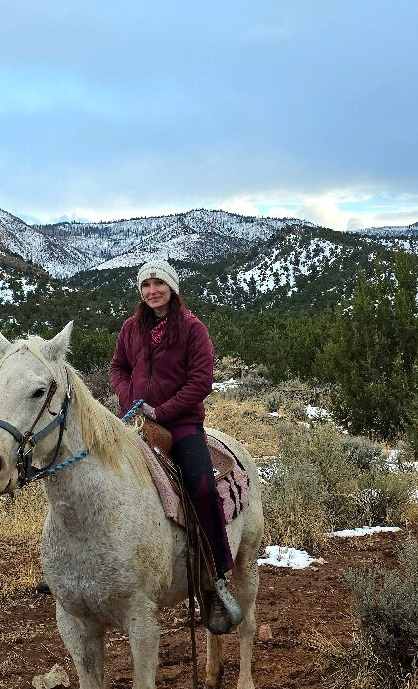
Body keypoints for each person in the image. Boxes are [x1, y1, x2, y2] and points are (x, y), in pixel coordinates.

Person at [109, 258, 243, 634]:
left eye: (159, 284)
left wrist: (164, 410)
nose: (153, 291)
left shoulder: (192, 329)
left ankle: (216, 575)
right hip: (137, 420)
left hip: (181, 422)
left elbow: (201, 381)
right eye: (146, 285)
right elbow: (118, 368)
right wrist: (127, 397)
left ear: (172, 287)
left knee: (201, 485)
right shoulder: (131, 329)